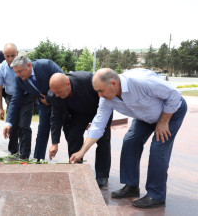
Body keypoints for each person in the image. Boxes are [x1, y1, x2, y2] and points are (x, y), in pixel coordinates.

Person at [70, 68, 187, 208]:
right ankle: (131, 187)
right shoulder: (107, 100)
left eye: (101, 91)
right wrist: (82, 152)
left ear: (113, 83)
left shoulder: (140, 82)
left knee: (158, 149)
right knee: (130, 141)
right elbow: (97, 125)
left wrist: (163, 121)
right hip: (144, 116)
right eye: (97, 92)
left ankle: (156, 195)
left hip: (170, 113)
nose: (99, 95)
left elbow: (174, 94)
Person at [48, 72, 112, 188]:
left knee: (103, 139)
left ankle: (102, 175)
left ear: (68, 83)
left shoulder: (88, 81)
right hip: (78, 114)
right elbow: (55, 117)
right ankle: (76, 169)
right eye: (54, 92)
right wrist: (54, 143)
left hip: (98, 110)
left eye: (59, 92)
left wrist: (104, 122)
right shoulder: (54, 94)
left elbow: (106, 100)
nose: (56, 95)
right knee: (73, 136)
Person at [3, 55, 63, 161]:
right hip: (44, 105)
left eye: (20, 71)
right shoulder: (19, 79)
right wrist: (8, 123)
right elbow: (15, 100)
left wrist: (49, 97)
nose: (17, 75)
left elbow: (63, 80)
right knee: (42, 130)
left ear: (29, 65)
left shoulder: (46, 65)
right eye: (15, 72)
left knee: (70, 131)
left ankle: (76, 162)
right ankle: (38, 160)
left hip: (61, 101)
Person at [0, 43, 34, 159]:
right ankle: (13, 151)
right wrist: (0, 108)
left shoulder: (26, 64)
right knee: (12, 124)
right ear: (4, 56)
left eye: (13, 55)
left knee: (24, 125)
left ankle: (25, 154)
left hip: (26, 97)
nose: (10, 59)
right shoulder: (1, 69)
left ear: (17, 54)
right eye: (7, 56)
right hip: (11, 98)